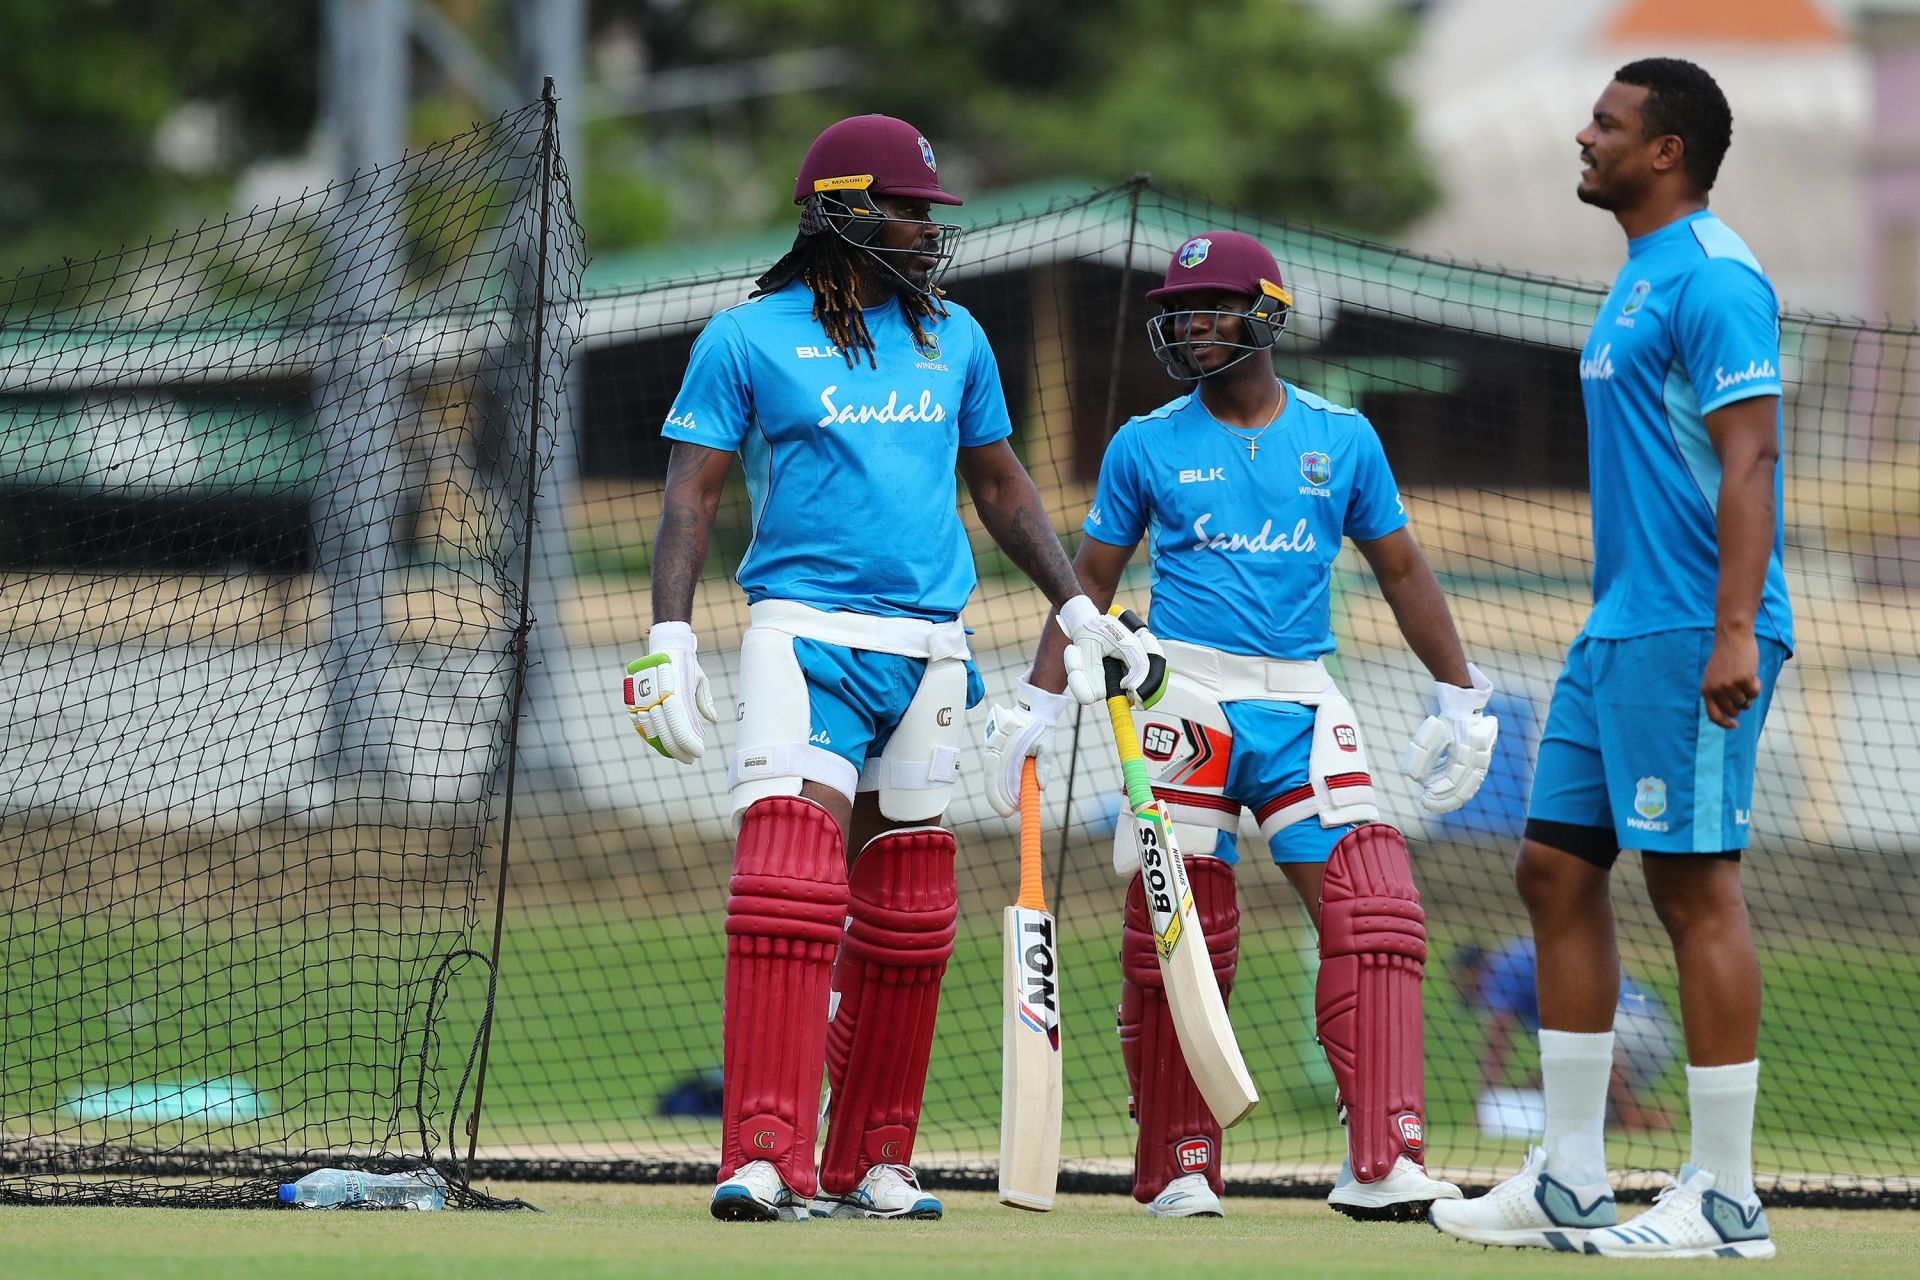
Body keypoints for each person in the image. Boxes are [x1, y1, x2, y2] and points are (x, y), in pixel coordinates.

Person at [627, 114, 1154, 1223]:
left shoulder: (954, 335)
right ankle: (764, 1151)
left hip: (931, 648)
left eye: (928, 212)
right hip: (802, 634)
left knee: (910, 910)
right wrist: (669, 634)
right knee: (788, 887)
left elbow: (1004, 488)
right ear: (842, 211)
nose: (926, 229)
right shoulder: (746, 335)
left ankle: (876, 1155)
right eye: (909, 208)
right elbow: (694, 493)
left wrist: (1074, 605)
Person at [982, 228, 1501, 1220]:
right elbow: (1088, 581)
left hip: (1305, 696)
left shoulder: (1342, 436)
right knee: (1178, 932)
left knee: (1377, 907)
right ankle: (1178, 1160)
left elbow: (1400, 569)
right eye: (1178, 314)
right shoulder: (1145, 439)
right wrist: (1038, 701)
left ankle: (1383, 1158)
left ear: (1267, 313)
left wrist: (1461, 695)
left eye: (1213, 307)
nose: (1191, 327)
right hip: (1183, 697)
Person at [1430, 59, 1791, 1261]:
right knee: (1552, 869)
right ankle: (1572, 1177)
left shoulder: (1716, 277)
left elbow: (1751, 461)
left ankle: (1727, 1196)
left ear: (1668, 150)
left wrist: (1737, 628)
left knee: (1693, 889)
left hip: (1695, 628)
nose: (1584, 138)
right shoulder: (1636, 279)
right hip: (1618, 626)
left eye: (1609, 124)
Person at [1453, 940, 1677, 1135]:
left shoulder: (1501, 967)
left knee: (1592, 1059)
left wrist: (1486, 1102)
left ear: (1471, 972)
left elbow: (1497, 1039)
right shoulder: (1519, 960)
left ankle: (1634, 1122)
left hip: (1630, 1026)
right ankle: (1652, 1120)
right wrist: (1520, 1093)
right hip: (1657, 1036)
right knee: (1578, 1108)